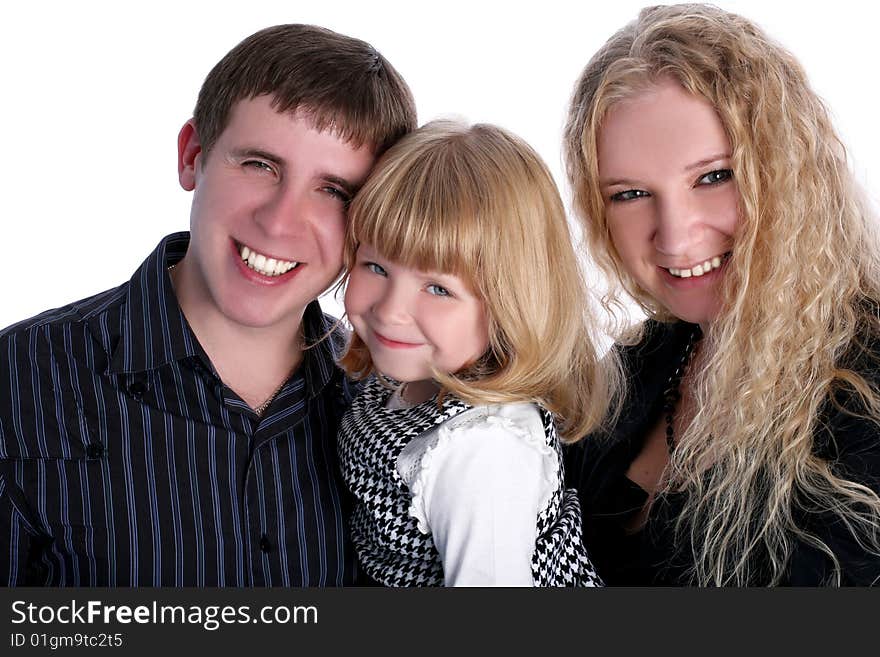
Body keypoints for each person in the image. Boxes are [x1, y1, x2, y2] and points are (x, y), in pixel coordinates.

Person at [0, 24, 416, 586]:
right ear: (193, 155)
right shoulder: (21, 377)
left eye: (334, 190)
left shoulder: (397, 405)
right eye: (260, 165)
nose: (279, 221)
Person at [562, 3, 880, 586]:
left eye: (713, 176)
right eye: (630, 193)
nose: (676, 237)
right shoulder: (638, 368)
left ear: (790, 172)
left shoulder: (868, 392)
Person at [336, 120, 615, 586]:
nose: (391, 310)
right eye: (376, 266)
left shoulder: (481, 450)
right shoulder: (410, 382)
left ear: (509, 303)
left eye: (438, 288)